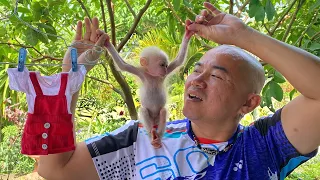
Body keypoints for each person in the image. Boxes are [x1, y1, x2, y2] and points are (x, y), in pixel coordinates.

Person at [37, 2, 319, 179]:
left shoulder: (263, 146)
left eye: (217, 76)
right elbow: (54, 170)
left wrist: (242, 36)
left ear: (249, 103)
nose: (196, 80)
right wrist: (69, 75)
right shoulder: (139, 141)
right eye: (196, 70)